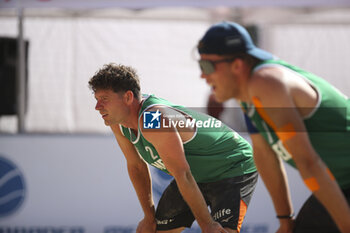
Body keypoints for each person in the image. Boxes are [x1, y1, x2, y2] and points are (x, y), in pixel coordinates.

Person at [196, 21, 350, 233]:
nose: (202, 75)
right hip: (342, 181)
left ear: (237, 66)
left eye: (207, 66)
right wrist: (285, 220)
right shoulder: (246, 90)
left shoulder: (265, 82)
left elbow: (309, 162)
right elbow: (264, 155)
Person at [88, 63, 258, 233]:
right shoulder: (118, 121)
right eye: (96, 100)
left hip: (231, 163)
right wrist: (149, 217)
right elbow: (137, 166)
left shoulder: (153, 119)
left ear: (128, 97)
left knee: (219, 231)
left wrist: (208, 224)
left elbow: (182, 174)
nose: (97, 107)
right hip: (194, 174)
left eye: (104, 99)